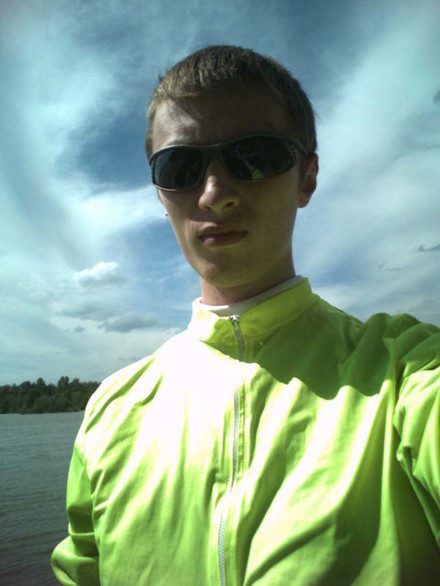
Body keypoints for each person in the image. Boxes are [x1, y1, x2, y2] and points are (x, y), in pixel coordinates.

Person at [52, 45, 440, 585]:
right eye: (181, 167)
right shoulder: (109, 412)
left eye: (254, 156)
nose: (215, 194)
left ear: (306, 178)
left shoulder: (405, 372)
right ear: (161, 194)